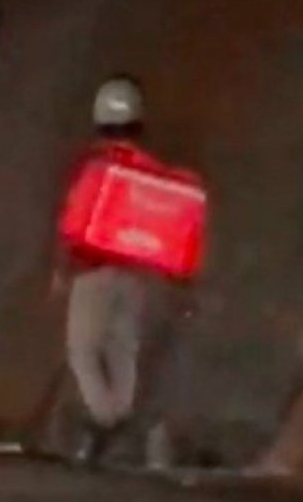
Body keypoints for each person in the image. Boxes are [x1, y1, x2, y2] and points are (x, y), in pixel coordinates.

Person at [52, 74, 200, 466]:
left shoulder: (95, 165)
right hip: (134, 274)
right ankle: (121, 412)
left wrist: (63, 268)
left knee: (83, 350)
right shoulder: (149, 170)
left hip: (93, 271)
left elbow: (74, 221)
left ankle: (106, 419)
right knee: (123, 350)